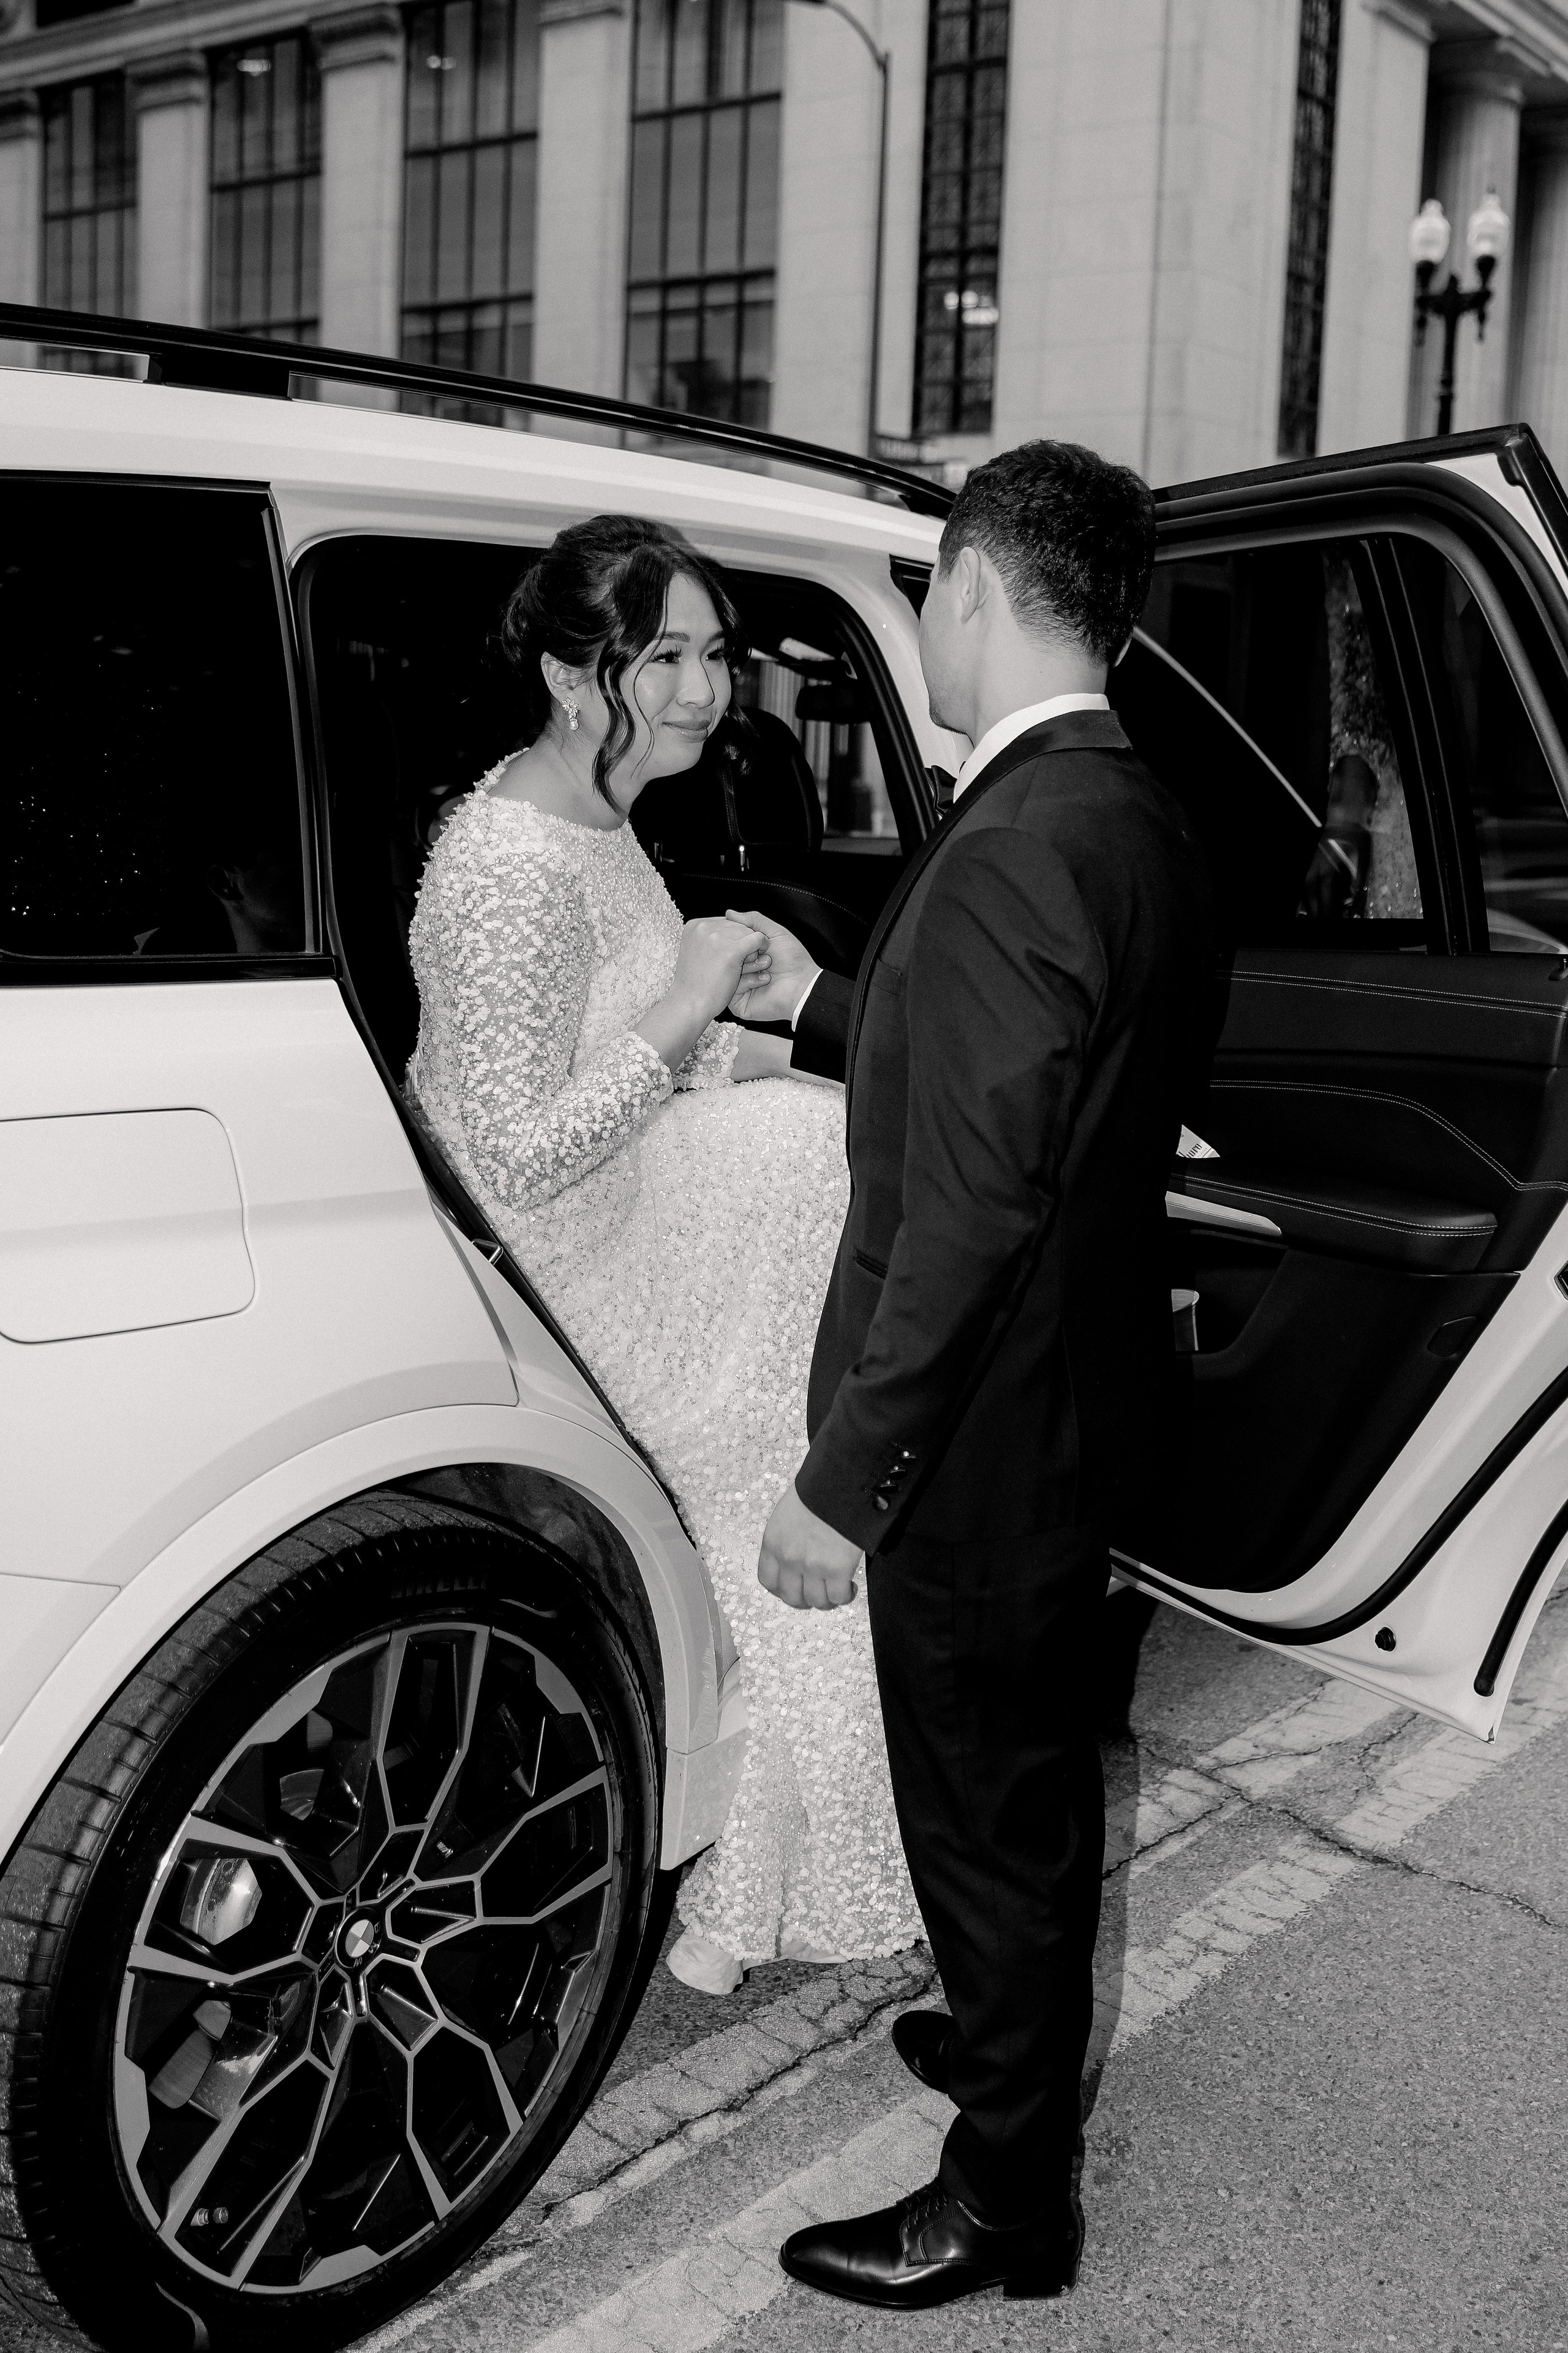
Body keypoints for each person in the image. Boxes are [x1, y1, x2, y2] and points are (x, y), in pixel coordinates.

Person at [735, 441, 1216, 2306]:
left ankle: (1009, 2201)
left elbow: (973, 1202)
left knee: (990, 1809)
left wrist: (844, 1478)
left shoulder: (1018, 834)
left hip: (981, 1442)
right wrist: (819, 1007)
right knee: (1024, 1787)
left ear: (971, 590)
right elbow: (1033, 1071)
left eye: (925, 594)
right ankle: (1013, 2037)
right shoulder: (1132, 809)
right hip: (1071, 1410)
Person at [405, 515, 922, 1995]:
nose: (704, 692)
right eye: (664, 660)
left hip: (652, 1197)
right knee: (802, 1516)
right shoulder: (510, 861)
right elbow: (517, 1153)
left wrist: (773, 1049)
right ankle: (784, 1884)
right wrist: (694, 1000)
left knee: (845, 1166)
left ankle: (743, 1896)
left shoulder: (595, 811)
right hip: (595, 1256)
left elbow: (624, 1050)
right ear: (574, 677)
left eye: (714, 655)